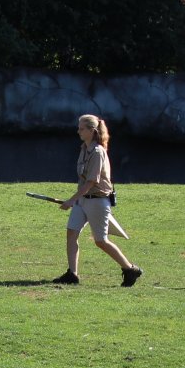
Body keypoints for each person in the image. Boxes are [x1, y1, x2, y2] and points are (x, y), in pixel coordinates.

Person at [51, 114, 143, 288]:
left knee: (100, 241)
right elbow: (83, 180)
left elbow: (91, 181)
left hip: (97, 201)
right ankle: (72, 274)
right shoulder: (84, 149)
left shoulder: (98, 152)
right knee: (71, 232)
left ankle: (130, 269)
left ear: (92, 131)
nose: (78, 131)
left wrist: (71, 200)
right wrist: (77, 200)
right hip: (83, 200)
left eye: (82, 128)